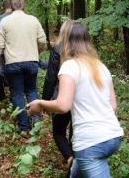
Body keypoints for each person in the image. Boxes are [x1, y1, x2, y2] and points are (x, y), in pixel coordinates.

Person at [27, 22, 124, 178]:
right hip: (113, 136)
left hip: (91, 144)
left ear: (64, 41)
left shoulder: (70, 67)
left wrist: (40, 103)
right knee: (75, 173)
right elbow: (112, 106)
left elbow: (63, 105)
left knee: (85, 159)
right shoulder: (100, 66)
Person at [0, 0, 47, 132]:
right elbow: (43, 41)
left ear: (12, 6)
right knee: (31, 90)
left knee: (16, 94)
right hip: (32, 62)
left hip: (13, 63)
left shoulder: (4, 21)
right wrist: (36, 52)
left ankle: (23, 126)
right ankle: (35, 121)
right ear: (24, 6)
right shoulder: (33, 20)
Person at [41, 19, 75, 171]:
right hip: (80, 99)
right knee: (76, 133)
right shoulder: (86, 52)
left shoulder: (57, 49)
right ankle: (75, 159)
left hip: (62, 96)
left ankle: (70, 159)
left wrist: (45, 101)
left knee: (58, 132)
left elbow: (51, 78)